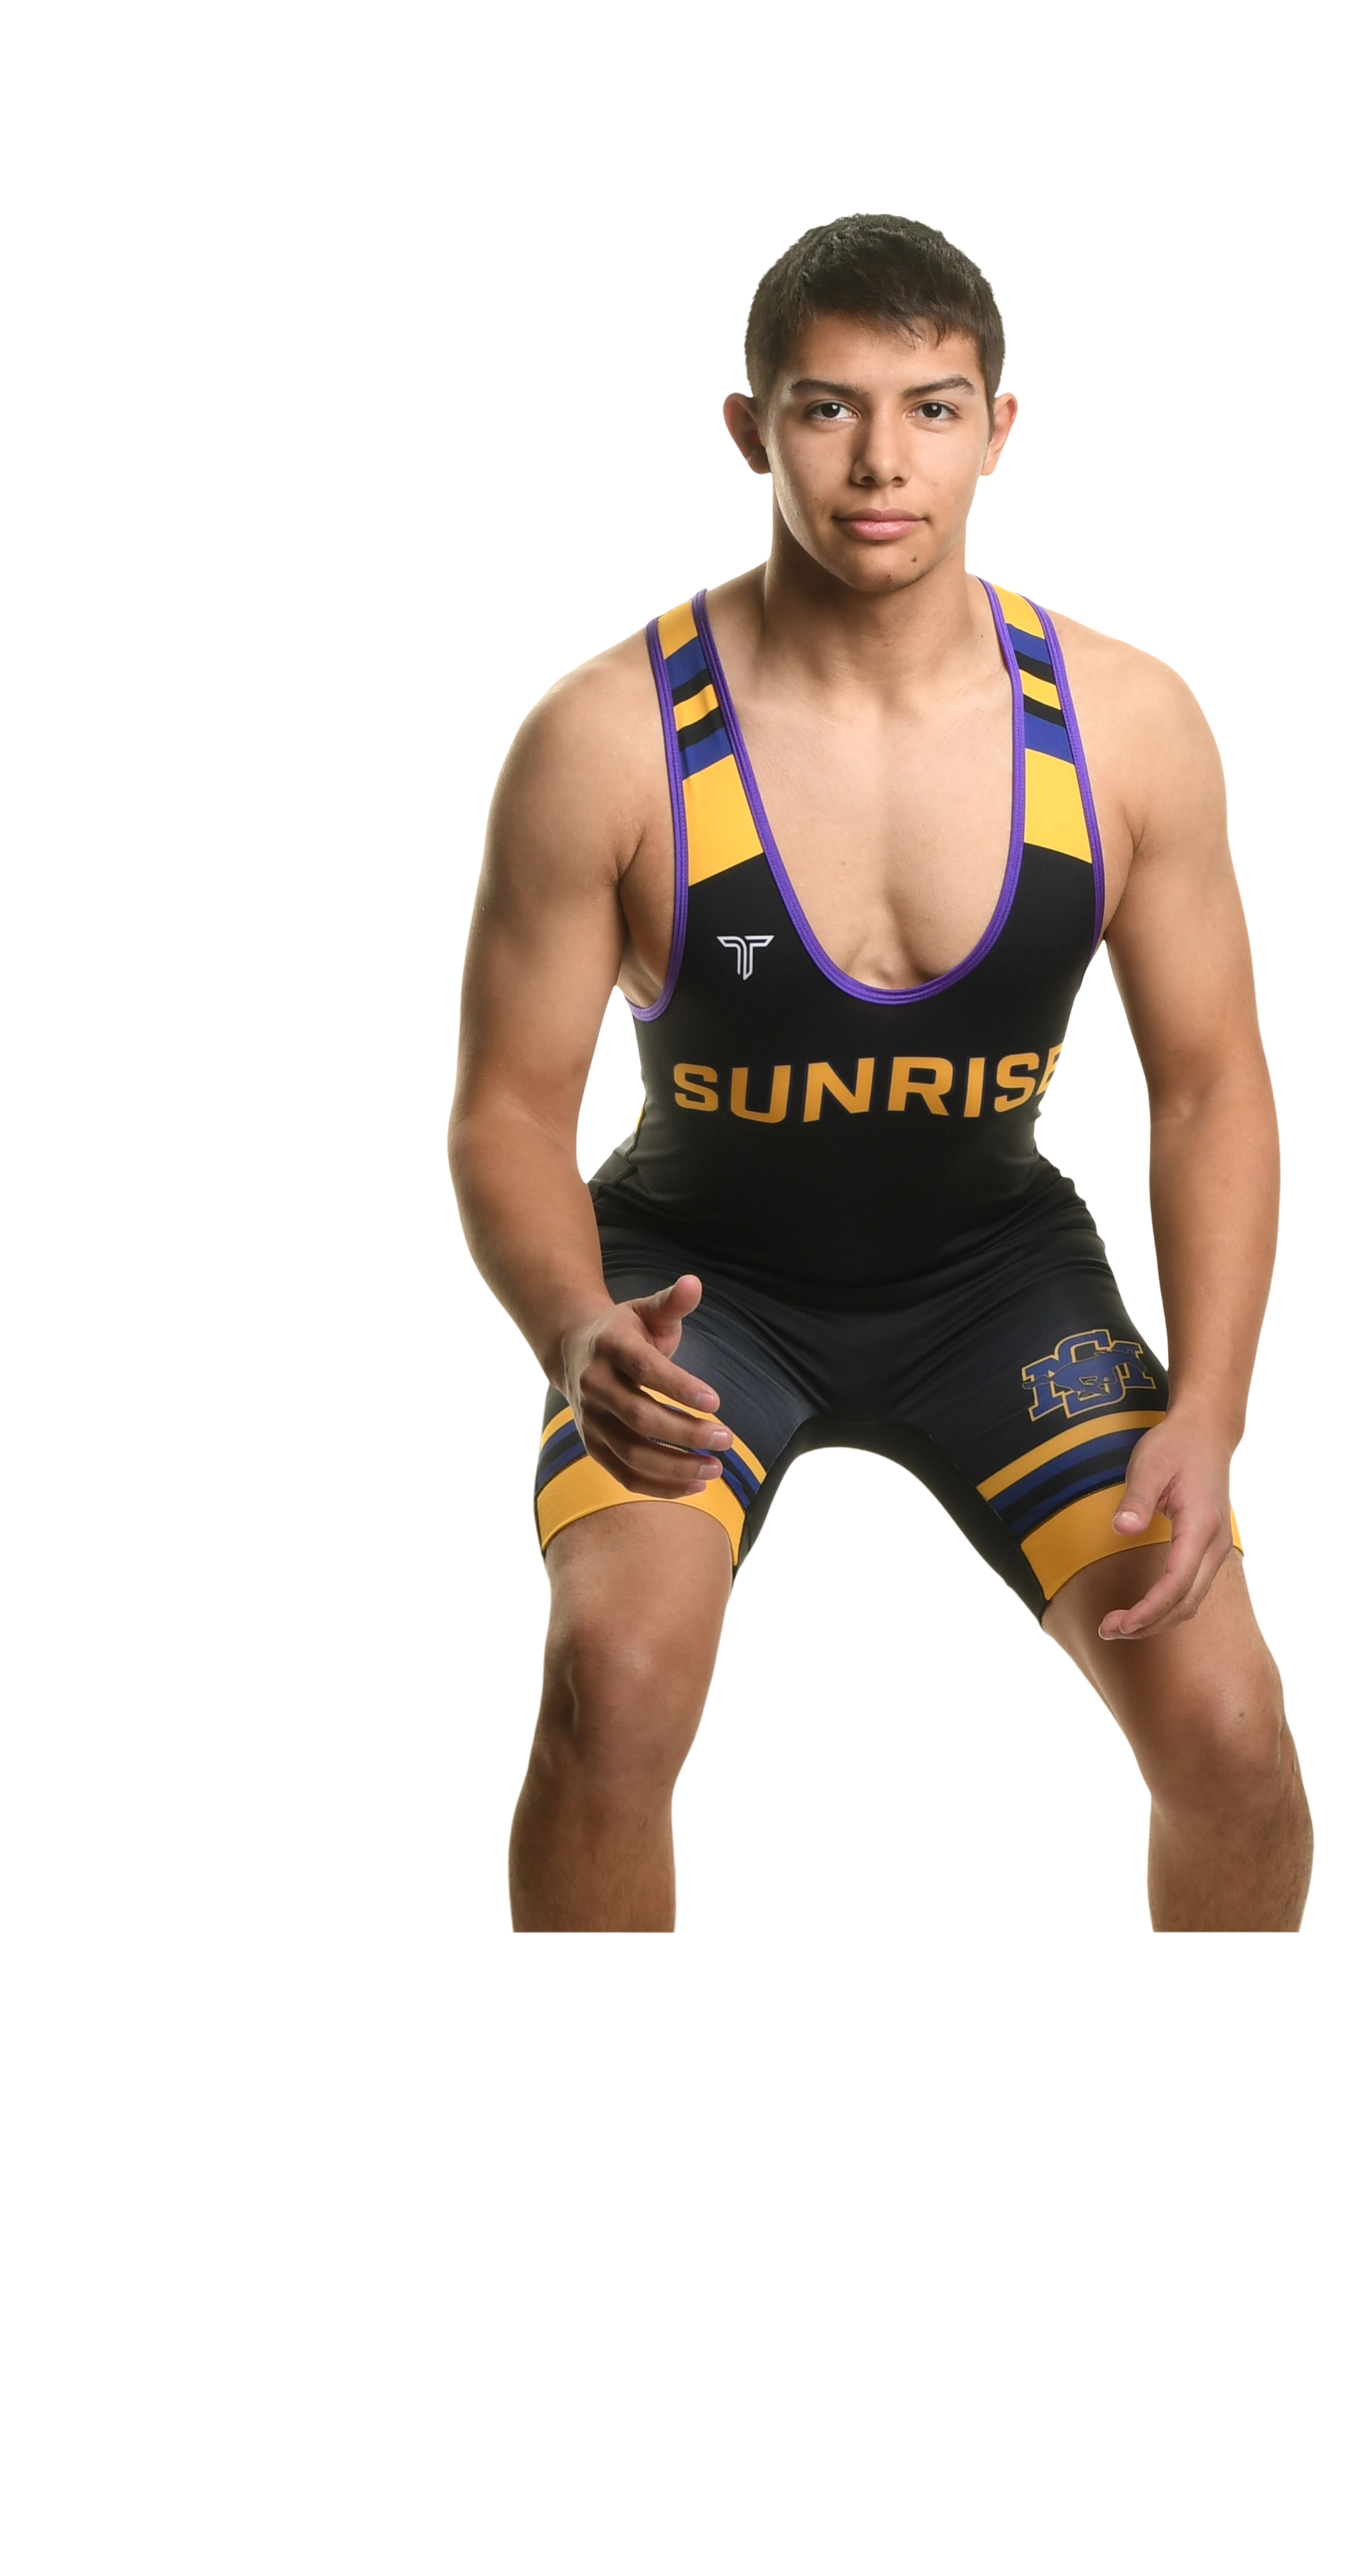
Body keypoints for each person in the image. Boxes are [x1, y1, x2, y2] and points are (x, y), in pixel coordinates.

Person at [448, 205, 1314, 2065]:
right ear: (748, 426)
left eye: (929, 407)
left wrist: (1214, 1406)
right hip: (698, 1295)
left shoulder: (1128, 725)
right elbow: (508, 1106)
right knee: (612, 1688)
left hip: (997, 1286)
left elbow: (1211, 1086)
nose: (880, 464)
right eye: (828, 408)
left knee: (1233, 1733)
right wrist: (576, 1329)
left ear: (1001, 426)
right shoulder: (607, 738)